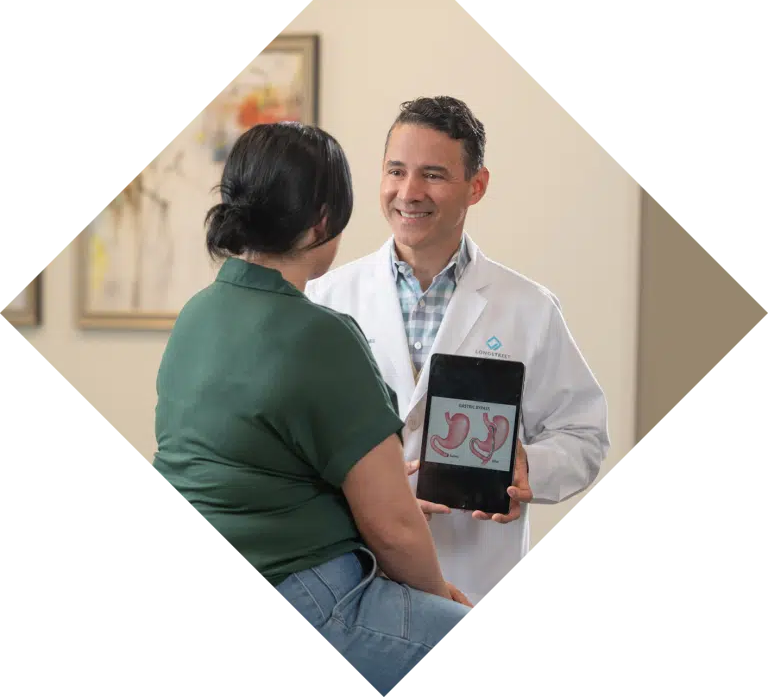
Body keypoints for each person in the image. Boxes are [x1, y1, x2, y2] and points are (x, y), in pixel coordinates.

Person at [151, 121, 473, 695]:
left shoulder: (198, 313)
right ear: (323, 220)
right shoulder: (321, 335)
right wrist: (440, 598)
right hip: (303, 587)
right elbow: (393, 528)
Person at [306, 96, 611, 609]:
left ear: (477, 186)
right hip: (351, 578)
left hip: (473, 579)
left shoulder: (528, 308)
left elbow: (584, 436)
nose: (409, 192)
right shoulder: (325, 298)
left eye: (433, 175)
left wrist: (527, 467)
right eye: (396, 171)